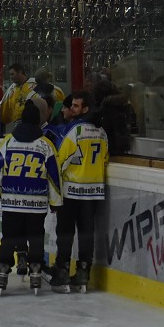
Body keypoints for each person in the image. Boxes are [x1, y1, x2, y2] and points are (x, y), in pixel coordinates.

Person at [0, 104, 61, 295]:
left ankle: (4, 268)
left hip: (12, 201)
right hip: (36, 204)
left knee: (8, 238)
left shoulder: (8, 142)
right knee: (36, 237)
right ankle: (36, 268)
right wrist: (55, 202)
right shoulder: (46, 145)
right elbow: (54, 177)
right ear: (38, 120)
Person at [52, 91, 109, 293]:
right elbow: (104, 160)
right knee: (86, 234)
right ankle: (84, 273)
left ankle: (62, 273)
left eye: (76, 106)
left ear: (85, 109)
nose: (72, 109)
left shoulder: (74, 131)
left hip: (72, 192)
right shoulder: (102, 132)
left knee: (65, 233)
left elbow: (60, 161)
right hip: (93, 193)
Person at [0, 63, 34, 131]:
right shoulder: (12, 88)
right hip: (17, 124)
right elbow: (4, 105)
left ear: (20, 72)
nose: (11, 77)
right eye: (10, 74)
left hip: (32, 123)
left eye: (12, 74)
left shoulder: (34, 85)